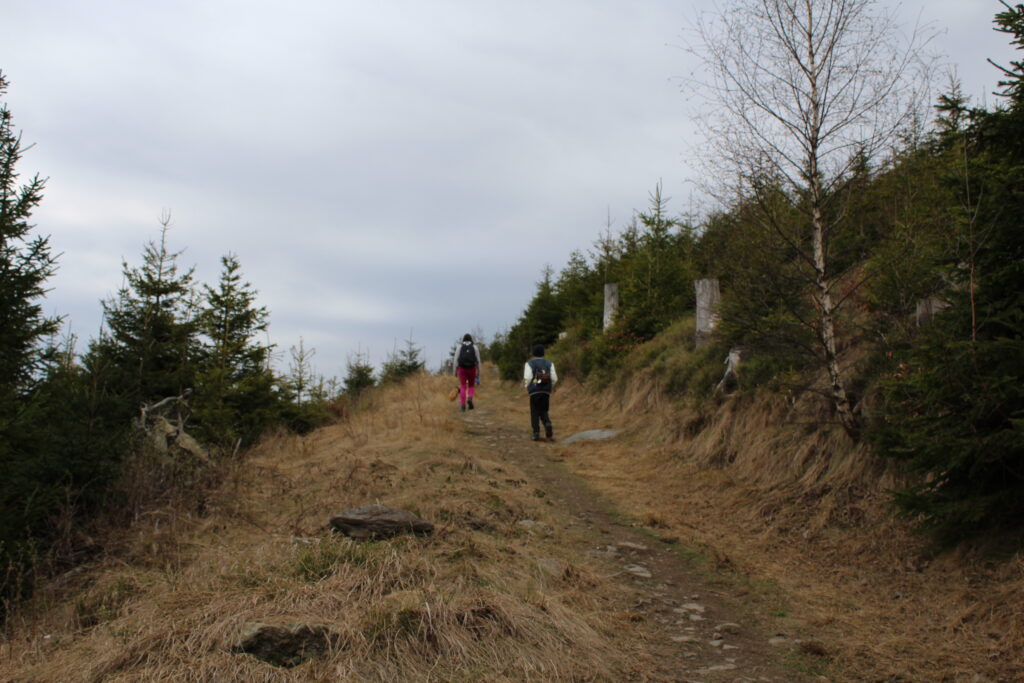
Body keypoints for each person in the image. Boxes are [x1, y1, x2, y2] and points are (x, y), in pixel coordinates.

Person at [523, 343, 558, 441]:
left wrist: (527, 386)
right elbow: (554, 378)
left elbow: (528, 377)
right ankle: (547, 423)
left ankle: (536, 433)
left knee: (534, 411)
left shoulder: (529, 363)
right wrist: (550, 387)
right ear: (543, 352)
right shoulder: (549, 363)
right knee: (544, 410)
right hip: (546, 391)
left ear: (533, 353)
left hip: (534, 391)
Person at [453, 333, 481, 412]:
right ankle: (470, 398)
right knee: (471, 385)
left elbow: (455, 360)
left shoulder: (460, 347)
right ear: (471, 339)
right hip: (472, 369)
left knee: (463, 386)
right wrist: (478, 372)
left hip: (462, 369)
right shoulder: (475, 347)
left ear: (463, 340)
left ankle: (462, 406)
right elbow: (478, 361)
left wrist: (455, 372)